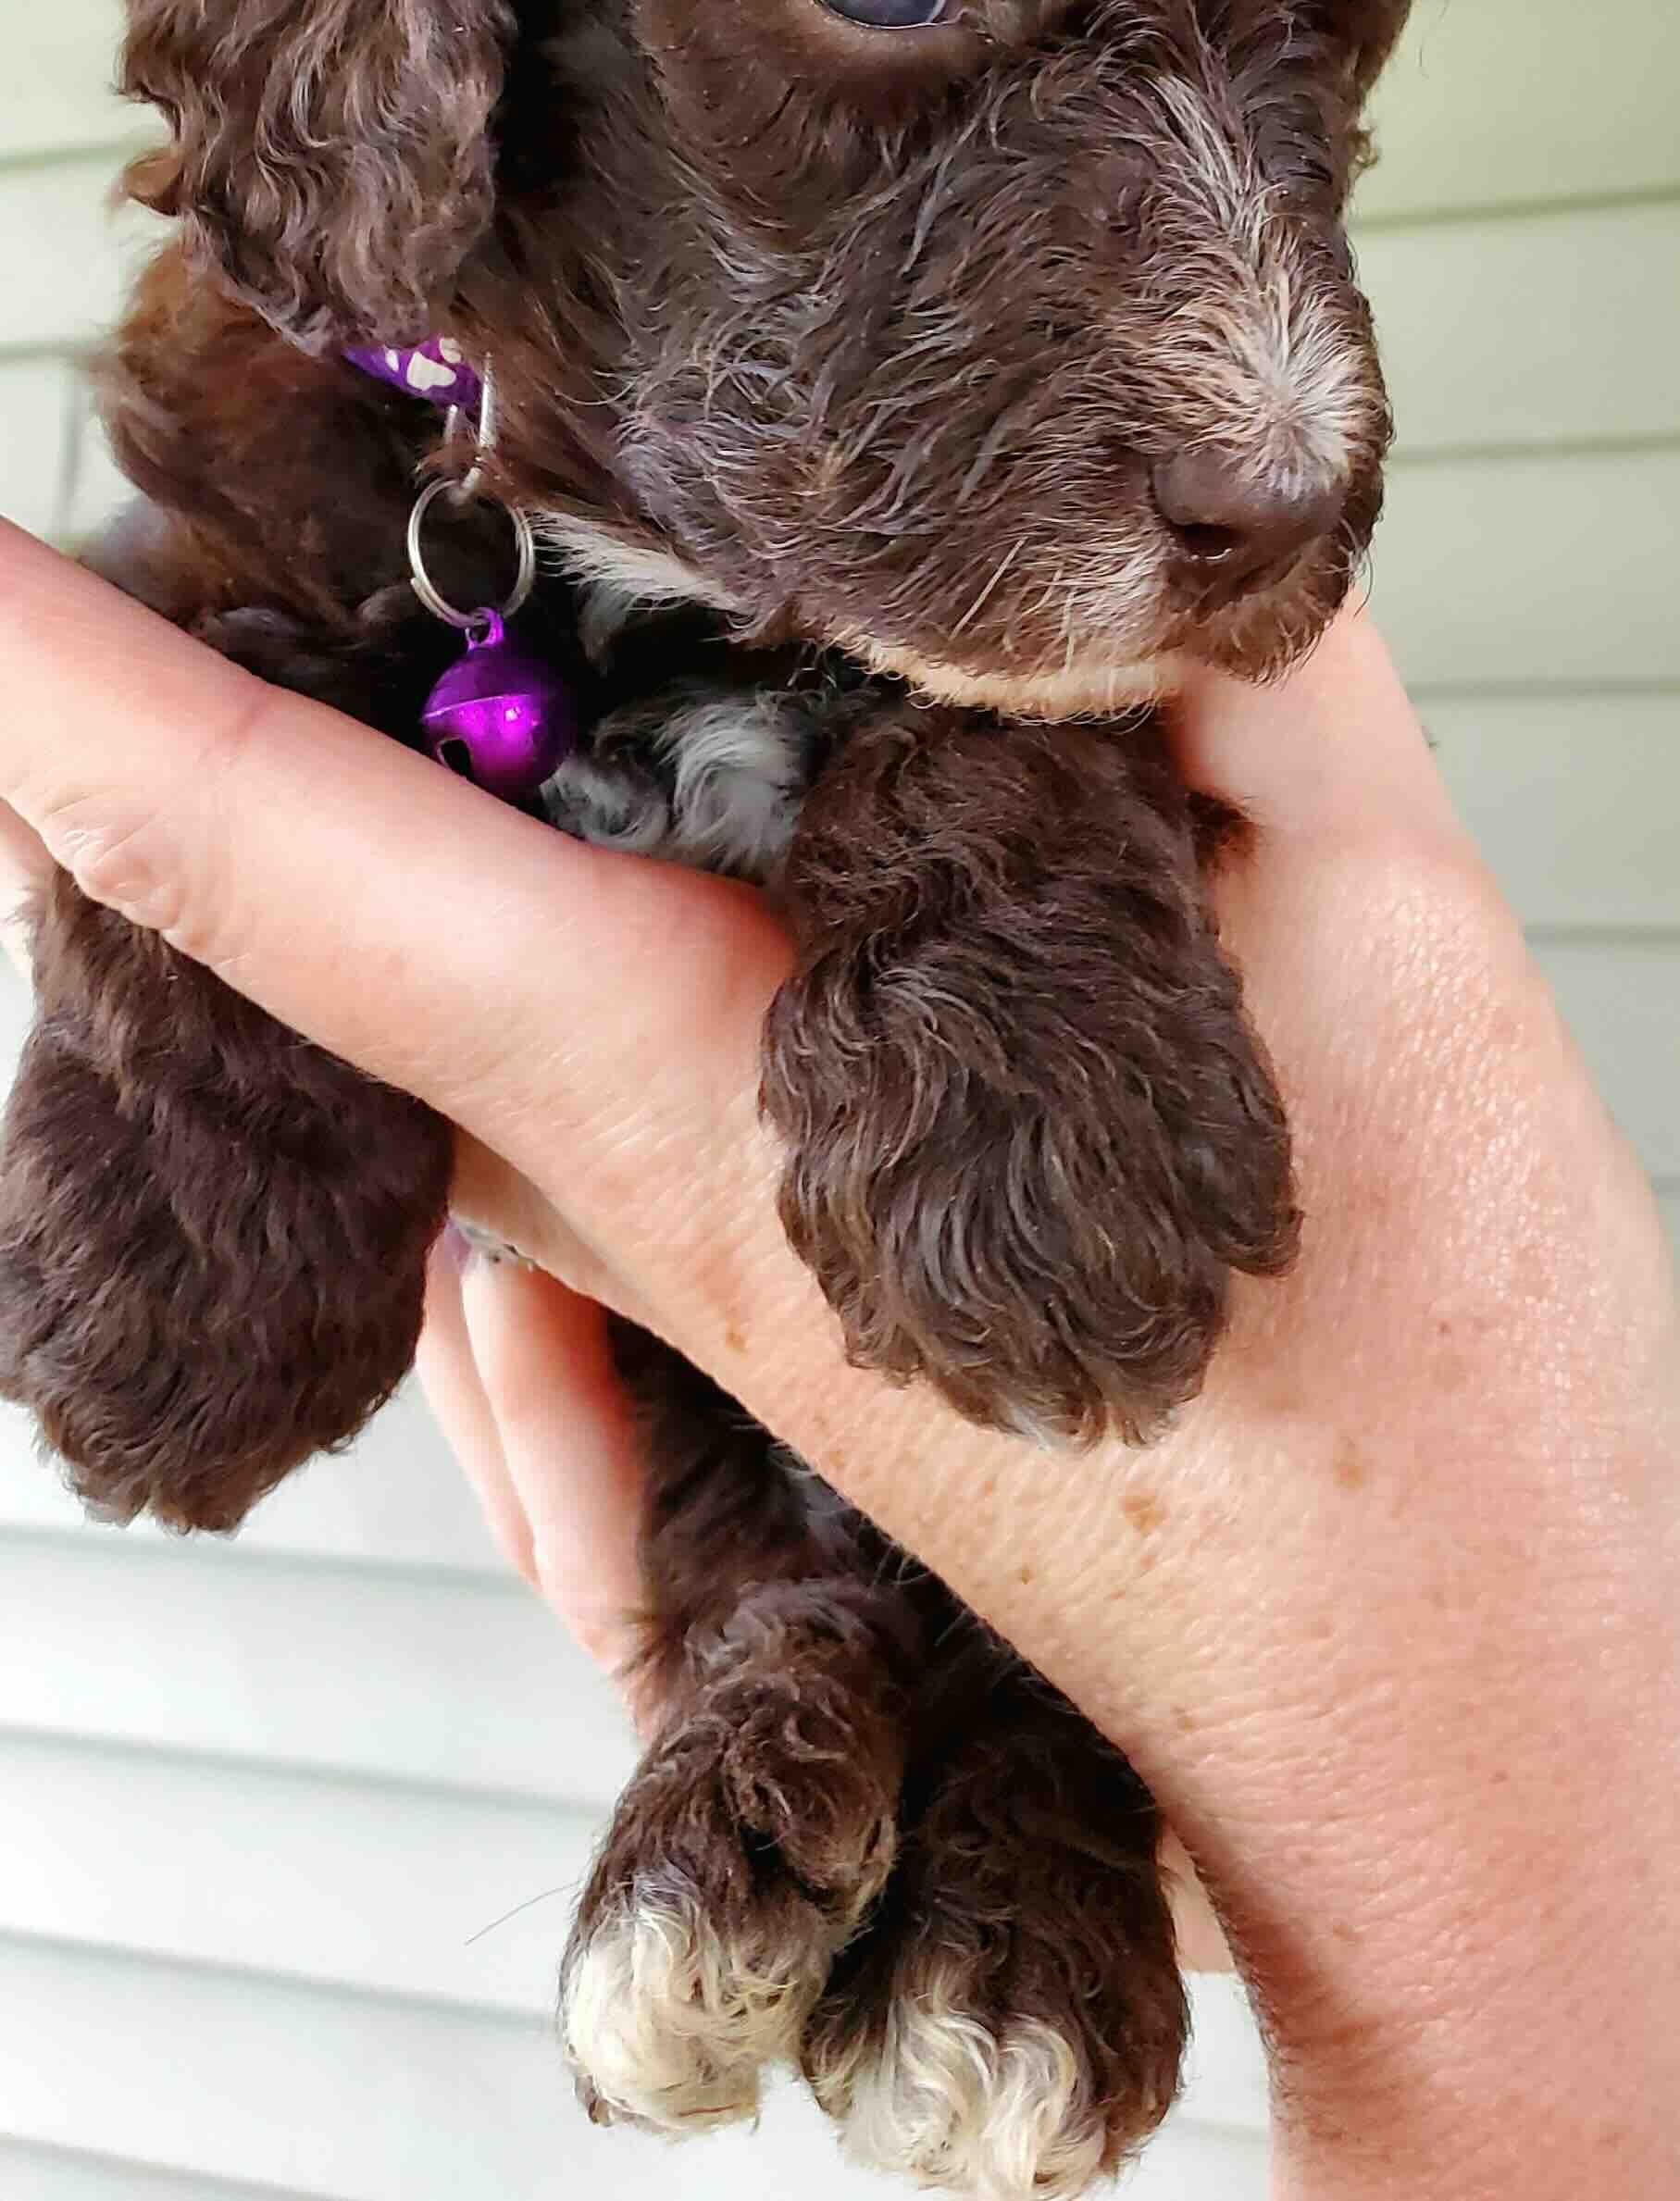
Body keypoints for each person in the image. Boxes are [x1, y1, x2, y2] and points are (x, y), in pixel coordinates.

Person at [0, 512, 1674, 2195]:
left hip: (1036, 1188)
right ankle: (819, 1717)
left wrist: (1463, 1826)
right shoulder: (341, 484)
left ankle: (973, 1816)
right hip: (692, 1409)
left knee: (1019, 1204)